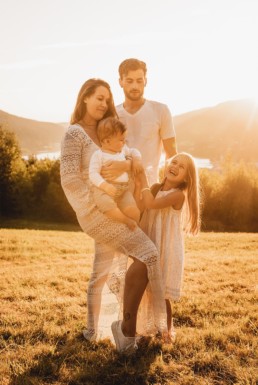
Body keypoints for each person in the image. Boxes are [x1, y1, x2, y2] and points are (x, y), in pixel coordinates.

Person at [60, 78, 167, 353]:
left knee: (102, 270)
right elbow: (70, 181)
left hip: (118, 206)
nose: (104, 103)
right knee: (149, 253)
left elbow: (133, 159)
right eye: (98, 97)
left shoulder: (108, 130)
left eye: (107, 99)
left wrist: (127, 163)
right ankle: (131, 329)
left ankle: (92, 330)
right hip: (99, 212)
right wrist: (95, 208)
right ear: (84, 97)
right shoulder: (75, 133)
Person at [134, 152, 200, 340]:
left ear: (187, 178)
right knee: (145, 288)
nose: (175, 166)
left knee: (161, 292)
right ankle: (146, 328)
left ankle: (166, 333)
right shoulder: (154, 187)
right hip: (151, 242)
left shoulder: (178, 195)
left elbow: (152, 204)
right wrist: (140, 186)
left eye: (181, 167)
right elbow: (141, 206)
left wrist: (143, 179)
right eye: (174, 162)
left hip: (166, 249)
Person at [101, 58, 177, 186]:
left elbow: (172, 154)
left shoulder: (161, 110)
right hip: (119, 190)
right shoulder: (112, 115)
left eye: (139, 80)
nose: (135, 86)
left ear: (145, 81)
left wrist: (167, 187)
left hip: (151, 188)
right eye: (129, 81)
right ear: (120, 82)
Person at [89, 117, 142, 230]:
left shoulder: (122, 150)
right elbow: (93, 173)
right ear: (106, 141)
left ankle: (132, 222)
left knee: (135, 212)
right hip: (104, 190)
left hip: (123, 190)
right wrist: (105, 186)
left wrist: (136, 160)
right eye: (121, 140)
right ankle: (125, 220)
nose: (124, 142)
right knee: (105, 205)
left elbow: (134, 151)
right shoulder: (99, 155)